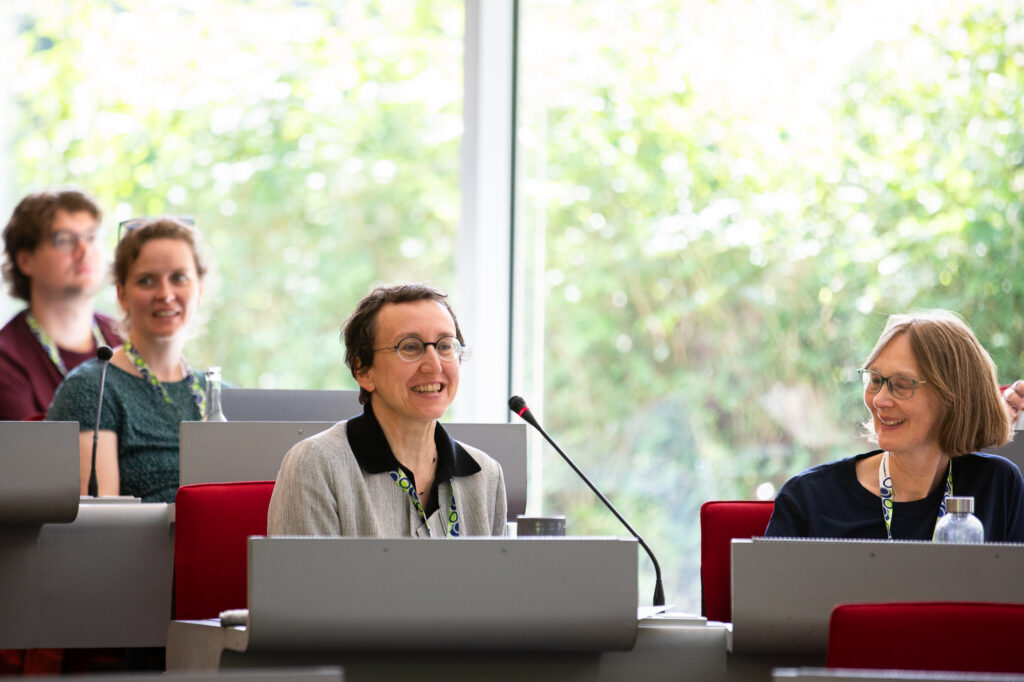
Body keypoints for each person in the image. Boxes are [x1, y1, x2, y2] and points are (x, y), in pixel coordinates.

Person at [268, 283, 507, 537]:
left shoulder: (486, 477)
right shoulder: (317, 465)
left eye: (445, 345)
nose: (434, 365)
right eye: (410, 347)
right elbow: (305, 577)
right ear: (363, 371)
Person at [766, 310, 1024, 541]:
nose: (878, 400)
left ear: (954, 397)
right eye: (876, 380)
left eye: (902, 385)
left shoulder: (999, 486)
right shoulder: (808, 500)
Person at [46, 217, 208, 503]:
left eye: (179, 278)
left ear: (200, 289)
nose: (165, 294)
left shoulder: (222, 395)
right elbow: (101, 527)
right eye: (147, 280)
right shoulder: (94, 390)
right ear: (122, 294)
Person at [0, 190, 122, 420]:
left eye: (92, 237)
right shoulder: (6, 361)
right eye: (65, 239)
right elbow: (35, 455)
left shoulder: (127, 338)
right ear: (25, 261)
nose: (84, 250)